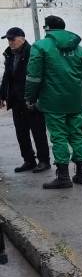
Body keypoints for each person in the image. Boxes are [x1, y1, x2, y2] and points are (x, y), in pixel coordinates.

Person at [24, 14, 82, 191]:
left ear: (47, 28)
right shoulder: (80, 49)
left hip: (53, 101)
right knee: (77, 135)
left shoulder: (41, 46)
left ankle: (63, 177)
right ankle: (81, 174)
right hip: (75, 100)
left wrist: (30, 98)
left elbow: (34, 77)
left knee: (59, 137)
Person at [0, 27, 51, 174]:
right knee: (21, 133)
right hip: (16, 100)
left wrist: (37, 97)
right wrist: (2, 95)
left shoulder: (32, 52)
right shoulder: (9, 54)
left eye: (12, 39)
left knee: (38, 132)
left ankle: (44, 161)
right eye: (8, 39)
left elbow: (40, 76)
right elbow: (7, 77)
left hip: (32, 100)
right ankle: (29, 160)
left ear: (22, 38)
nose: (10, 42)